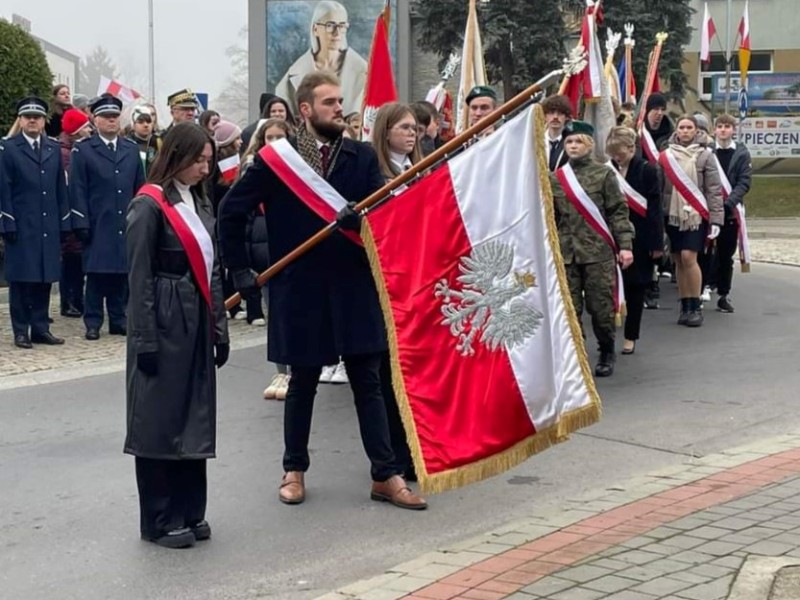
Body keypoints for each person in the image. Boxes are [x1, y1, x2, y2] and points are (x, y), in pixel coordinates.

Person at [218, 71, 426, 510]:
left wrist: (364, 220)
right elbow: (230, 211)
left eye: (339, 101)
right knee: (303, 383)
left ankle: (385, 474)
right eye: (329, 102)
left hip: (354, 285)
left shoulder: (362, 156)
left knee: (368, 381)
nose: (339, 107)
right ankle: (293, 469)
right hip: (301, 288)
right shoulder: (278, 160)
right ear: (306, 110)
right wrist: (239, 269)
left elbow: (387, 213)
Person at [124, 122, 229, 549]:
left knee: (194, 414)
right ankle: (159, 518)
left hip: (197, 318)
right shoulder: (147, 206)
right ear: (177, 156)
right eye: (198, 160)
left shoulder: (201, 202)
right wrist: (145, 340)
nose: (205, 168)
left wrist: (220, 328)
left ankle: (190, 510)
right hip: (164, 318)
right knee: (159, 420)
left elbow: (213, 270)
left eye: (209, 160)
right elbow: (139, 279)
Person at [551, 121, 634, 377]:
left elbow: (618, 212)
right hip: (567, 254)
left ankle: (606, 349)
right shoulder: (555, 179)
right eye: (569, 142)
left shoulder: (604, 174)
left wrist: (625, 246)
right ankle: (577, 356)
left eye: (578, 141)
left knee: (600, 308)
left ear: (589, 145)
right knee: (570, 310)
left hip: (597, 253)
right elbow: (551, 217)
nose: (573, 146)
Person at [70, 94, 145, 340]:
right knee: (97, 275)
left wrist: (140, 217)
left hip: (125, 219)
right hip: (97, 220)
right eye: (106, 117)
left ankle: (118, 318)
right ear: (95, 119)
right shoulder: (83, 150)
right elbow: (77, 189)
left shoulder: (131, 149)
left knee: (121, 273)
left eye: (115, 117)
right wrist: (80, 221)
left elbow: (139, 186)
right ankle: (93, 321)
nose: (112, 121)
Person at [0, 97, 70, 349]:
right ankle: (21, 330)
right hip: (21, 223)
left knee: (44, 277)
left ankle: (41, 328)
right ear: (20, 120)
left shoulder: (51, 148)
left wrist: (64, 221)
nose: (32, 120)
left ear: (43, 121)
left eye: (37, 117)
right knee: (20, 279)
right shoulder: (8, 148)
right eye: (27, 116)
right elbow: (3, 188)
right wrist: (6, 221)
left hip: (47, 224)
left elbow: (60, 189)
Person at [239, 118, 294, 401]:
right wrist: (244, 259)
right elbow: (241, 218)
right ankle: (282, 369)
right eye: (269, 137)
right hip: (265, 253)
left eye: (280, 137)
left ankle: (300, 366)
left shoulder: (299, 170)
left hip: (294, 252)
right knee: (274, 313)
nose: (274, 142)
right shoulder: (252, 170)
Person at [661, 115, 724, 327]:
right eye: (682, 127)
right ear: (676, 130)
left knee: (690, 257)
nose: (685, 131)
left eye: (689, 128)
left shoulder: (705, 155)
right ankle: (685, 304)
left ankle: (695, 305)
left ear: (696, 130)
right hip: (673, 214)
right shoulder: (666, 156)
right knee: (678, 259)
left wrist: (716, 220)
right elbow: (661, 189)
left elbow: (714, 190)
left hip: (696, 215)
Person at [606, 127, 664, 355]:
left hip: (640, 237)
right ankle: (609, 335)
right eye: (613, 153)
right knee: (610, 288)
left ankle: (631, 335)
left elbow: (655, 209)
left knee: (635, 288)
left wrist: (657, 244)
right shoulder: (608, 171)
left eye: (619, 153)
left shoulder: (648, 171)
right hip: (612, 235)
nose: (616, 158)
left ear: (631, 149)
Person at [275, 1, 367, 116]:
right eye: (330, 26)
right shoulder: (292, 77)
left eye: (342, 26)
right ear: (315, 29)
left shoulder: (364, 72)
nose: (337, 32)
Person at [709, 114, 751, 314]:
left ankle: (723, 295)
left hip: (730, 212)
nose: (723, 130)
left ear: (733, 130)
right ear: (714, 130)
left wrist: (728, 203)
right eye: (720, 126)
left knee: (726, 254)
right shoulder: (707, 152)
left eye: (727, 126)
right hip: (708, 210)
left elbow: (744, 182)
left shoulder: (742, 153)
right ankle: (702, 289)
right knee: (705, 252)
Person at [58, 108, 93, 318]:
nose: (90, 130)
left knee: (77, 259)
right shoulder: (66, 154)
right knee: (70, 260)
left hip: (78, 211)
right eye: (86, 126)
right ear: (76, 131)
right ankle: (69, 300)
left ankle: (76, 300)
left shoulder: (75, 150)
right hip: (70, 212)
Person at [128, 105, 161, 178]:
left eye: (148, 121)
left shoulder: (159, 142)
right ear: (133, 125)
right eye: (141, 122)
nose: (146, 125)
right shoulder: (127, 145)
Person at [541, 95, 573, 172]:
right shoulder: (536, 140)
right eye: (551, 113)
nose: (555, 117)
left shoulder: (572, 142)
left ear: (567, 117)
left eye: (560, 113)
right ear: (545, 116)